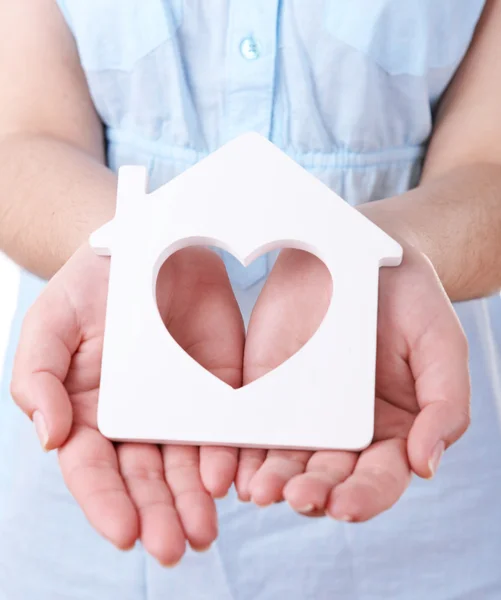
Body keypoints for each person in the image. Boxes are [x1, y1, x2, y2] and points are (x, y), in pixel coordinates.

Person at [1, 0, 500, 597]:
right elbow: (25, 137)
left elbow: (488, 163)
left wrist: (380, 258)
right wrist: (132, 254)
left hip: (416, 515)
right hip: (73, 522)